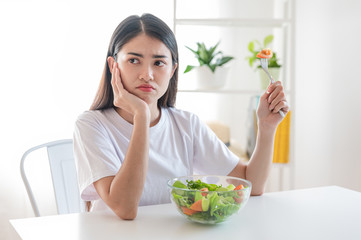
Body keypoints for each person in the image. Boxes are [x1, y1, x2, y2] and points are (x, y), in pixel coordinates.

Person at [73, 13, 289, 220]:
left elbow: (251, 183)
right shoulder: (91, 125)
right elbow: (125, 208)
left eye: (158, 63)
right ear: (113, 66)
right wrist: (141, 115)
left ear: (172, 70)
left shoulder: (186, 124)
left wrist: (267, 127)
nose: (147, 74)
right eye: (134, 60)